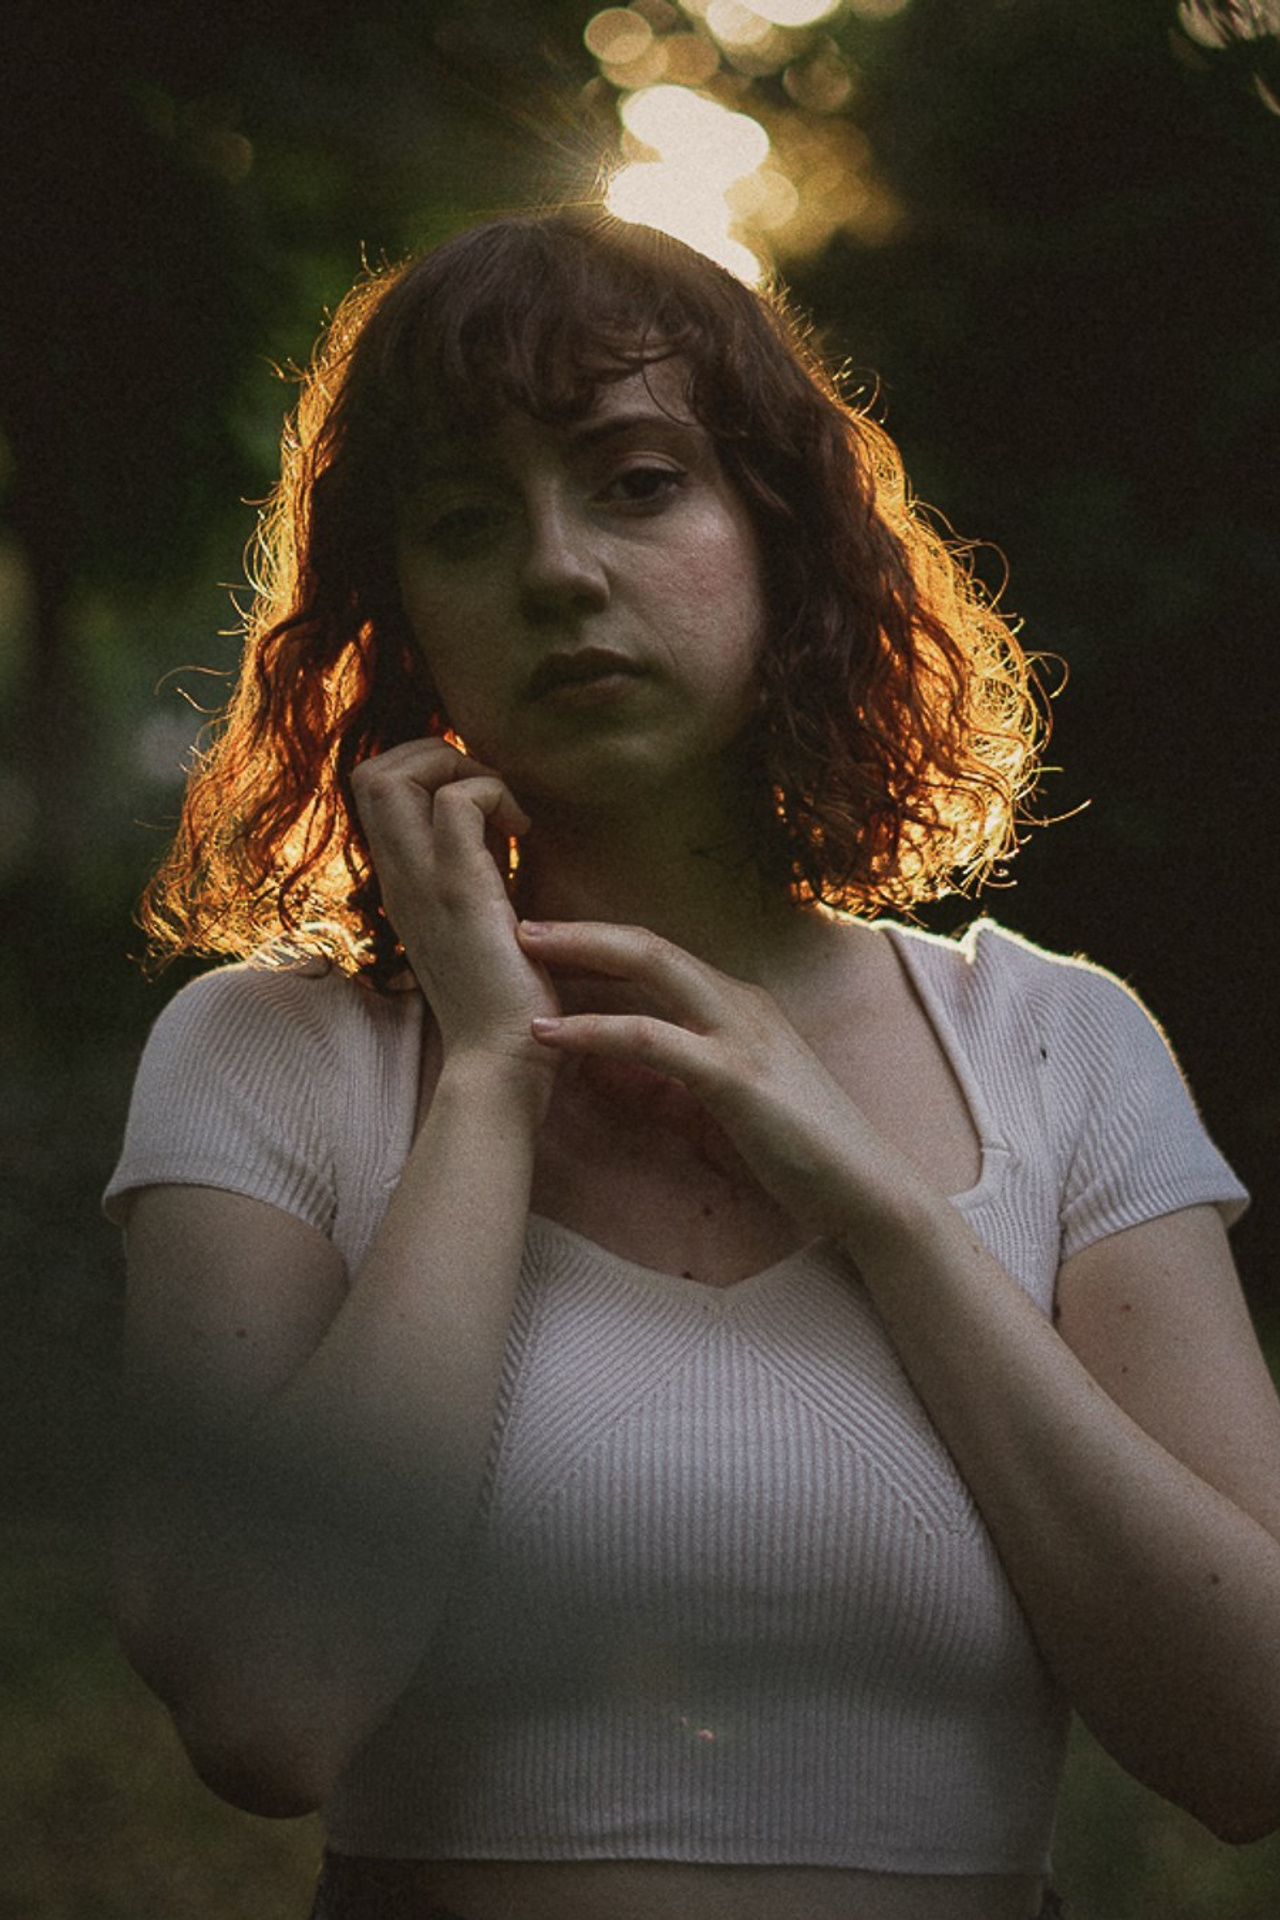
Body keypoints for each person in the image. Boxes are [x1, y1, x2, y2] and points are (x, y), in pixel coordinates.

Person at [104, 209, 1280, 1920]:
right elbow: (267, 1715)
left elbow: (1252, 1745)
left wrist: (878, 1203)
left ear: (782, 536)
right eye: (462, 519)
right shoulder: (270, 1057)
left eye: (637, 481)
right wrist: (490, 1080)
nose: (559, 568)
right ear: (401, 619)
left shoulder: (1055, 1047)